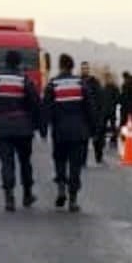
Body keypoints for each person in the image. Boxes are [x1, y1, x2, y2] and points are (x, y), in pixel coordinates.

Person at [0, 50, 43, 211]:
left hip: (3, 127)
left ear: (5, 62)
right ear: (19, 63)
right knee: (25, 162)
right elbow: (35, 103)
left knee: (6, 163)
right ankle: (27, 194)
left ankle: (9, 196)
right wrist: (35, 123)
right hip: (23, 127)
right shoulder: (24, 80)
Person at [45, 54, 96, 211]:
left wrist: (43, 127)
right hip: (79, 132)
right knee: (75, 166)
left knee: (60, 160)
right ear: (72, 66)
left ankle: (61, 187)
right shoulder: (81, 84)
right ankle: (73, 199)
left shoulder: (53, 84)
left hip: (60, 131)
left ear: (60, 66)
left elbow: (46, 107)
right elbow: (90, 108)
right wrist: (93, 129)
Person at [80, 61, 107, 164]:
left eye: (86, 68)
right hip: (83, 115)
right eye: (83, 68)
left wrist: (100, 113)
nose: (85, 70)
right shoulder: (79, 81)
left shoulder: (94, 82)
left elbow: (100, 98)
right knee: (83, 140)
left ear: (88, 69)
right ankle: (82, 159)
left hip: (94, 114)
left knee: (97, 138)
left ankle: (98, 156)